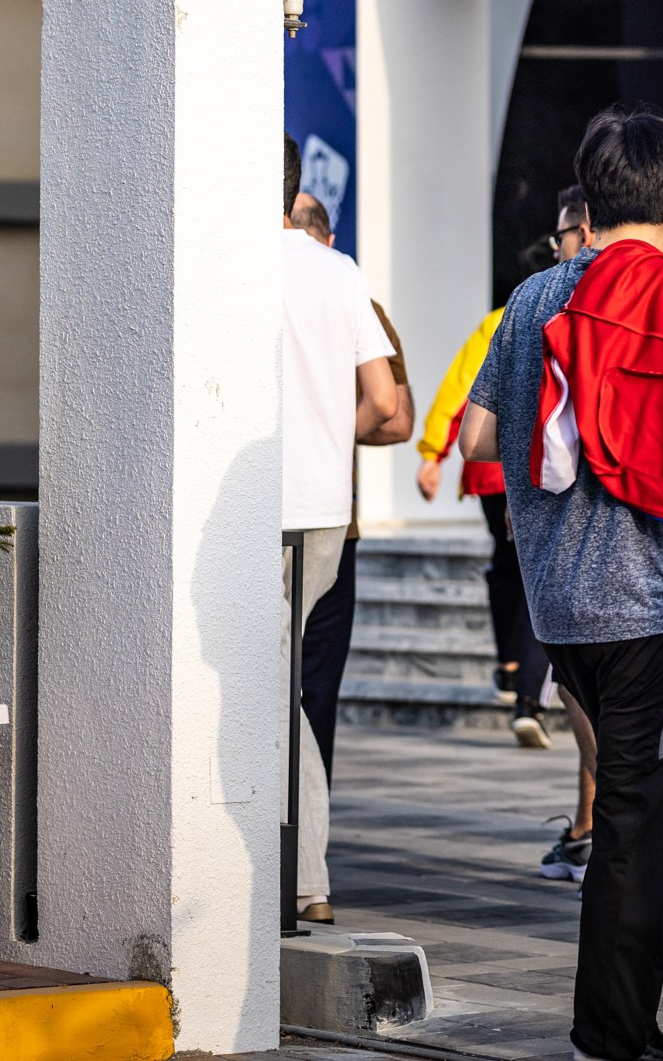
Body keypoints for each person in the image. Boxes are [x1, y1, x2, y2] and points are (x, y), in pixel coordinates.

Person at [459, 107, 663, 1061]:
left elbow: (493, 443)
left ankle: (616, 1026)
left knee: (627, 818)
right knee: (643, 832)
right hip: (650, 608)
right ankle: (615, 1035)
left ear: (589, 202)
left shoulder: (529, 302)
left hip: (561, 611)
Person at [417, 188, 587, 752]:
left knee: (505, 568)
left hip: (495, 475)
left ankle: (512, 666)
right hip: (536, 473)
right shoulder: (583, 311)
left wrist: (430, 455)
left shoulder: (505, 316)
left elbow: (460, 395)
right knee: (535, 575)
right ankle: (528, 696)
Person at [282, 141, 402, 926]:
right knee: (281, 686)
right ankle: (305, 881)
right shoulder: (339, 269)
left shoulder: (226, 263)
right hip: (326, 507)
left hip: (248, 505)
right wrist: (326, 439)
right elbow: (388, 405)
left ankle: (297, 879)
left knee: (259, 689)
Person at [291, 191, 417, 816]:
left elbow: (397, 418)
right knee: (307, 692)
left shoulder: (357, 300)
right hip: (330, 518)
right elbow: (394, 414)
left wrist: (322, 426)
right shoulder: (346, 285)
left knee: (306, 692)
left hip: (333, 525)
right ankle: (302, 866)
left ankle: (299, 852)